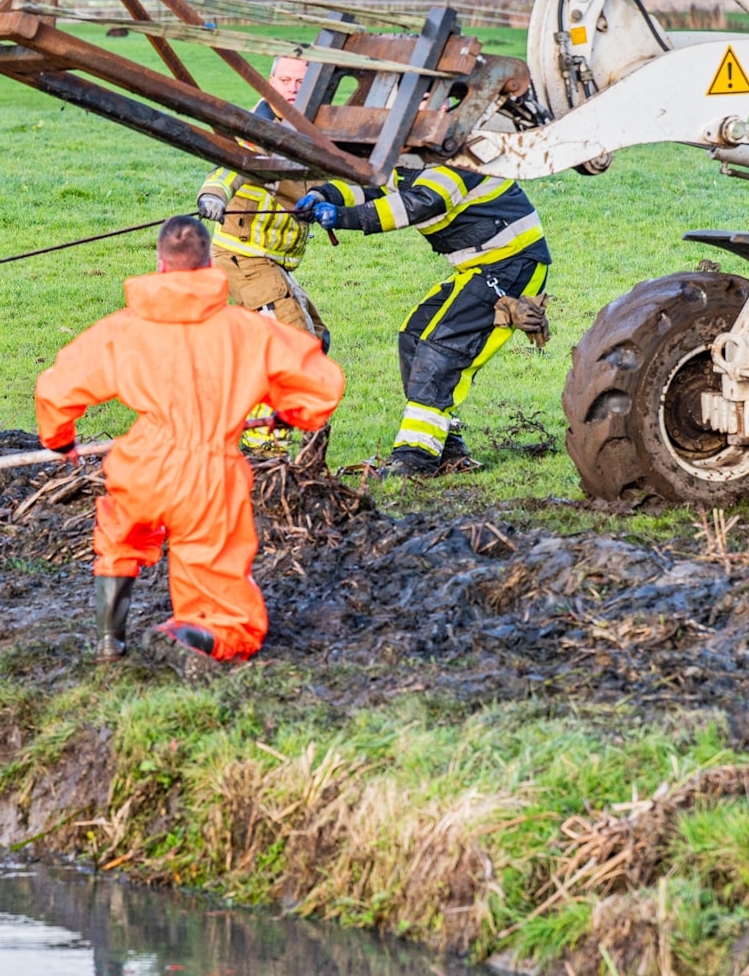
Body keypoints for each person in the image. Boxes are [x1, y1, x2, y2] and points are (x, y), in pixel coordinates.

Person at [35, 216, 345, 663]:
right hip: (210, 472)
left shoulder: (123, 328)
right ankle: (197, 632)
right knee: (213, 570)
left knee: (120, 539)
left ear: (160, 264)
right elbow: (321, 383)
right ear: (209, 265)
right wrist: (289, 414)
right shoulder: (246, 329)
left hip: (142, 463)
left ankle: (109, 640)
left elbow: (57, 388)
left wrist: (60, 441)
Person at [298, 166, 550, 476]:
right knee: (414, 337)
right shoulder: (412, 163)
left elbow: (419, 203)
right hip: (481, 266)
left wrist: (342, 216)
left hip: (512, 265)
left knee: (441, 351)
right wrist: (323, 194)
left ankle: (416, 457)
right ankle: (446, 446)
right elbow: (375, 190)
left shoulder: (458, 161)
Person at [196, 57, 326, 451]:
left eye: (300, 81)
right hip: (245, 257)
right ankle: (262, 444)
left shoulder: (315, 127)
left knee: (317, 339)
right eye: (284, 80)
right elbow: (230, 167)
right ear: (269, 82)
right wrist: (213, 196)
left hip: (274, 262)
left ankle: (242, 421)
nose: (291, 89)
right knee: (291, 343)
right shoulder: (257, 127)